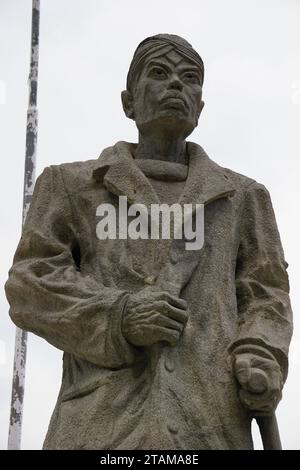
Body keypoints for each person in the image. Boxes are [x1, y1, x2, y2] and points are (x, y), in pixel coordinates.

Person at [5, 34, 293, 449]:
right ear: (129, 102)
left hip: (211, 428)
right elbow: (29, 284)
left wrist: (262, 352)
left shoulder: (244, 197)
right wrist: (118, 315)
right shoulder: (71, 186)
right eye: (159, 73)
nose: (177, 84)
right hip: (99, 428)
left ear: (201, 107)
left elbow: (267, 295)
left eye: (190, 77)